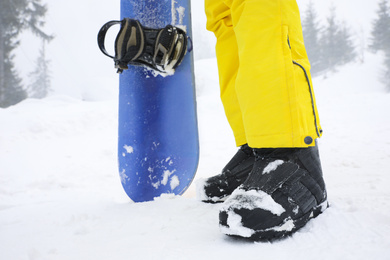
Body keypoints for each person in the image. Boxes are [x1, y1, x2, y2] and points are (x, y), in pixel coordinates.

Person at [196, 0, 328, 240]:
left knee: (259, 8)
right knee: (225, 17)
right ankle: (257, 143)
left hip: (293, 146)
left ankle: (290, 151)